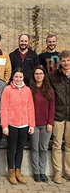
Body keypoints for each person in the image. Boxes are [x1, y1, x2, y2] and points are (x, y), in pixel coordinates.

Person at [0, 67, 35, 185]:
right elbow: (3, 108)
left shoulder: (27, 90)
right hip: (12, 124)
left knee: (20, 150)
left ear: (23, 77)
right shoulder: (7, 89)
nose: (18, 79)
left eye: (20, 77)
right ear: (13, 77)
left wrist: (32, 124)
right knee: (12, 149)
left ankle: (18, 171)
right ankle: (11, 171)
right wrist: (4, 125)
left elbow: (30, 108)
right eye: (16, 77)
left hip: (24, 124)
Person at [29, 66, 55, 182]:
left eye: (41, 74)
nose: (38, 76)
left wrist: (50, 122)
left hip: (46, 125)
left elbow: (52, 107)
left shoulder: (49, 90)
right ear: (33, 76)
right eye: (36, 74)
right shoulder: (30, 89)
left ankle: (43, 172)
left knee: (43, 149)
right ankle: (36, 172)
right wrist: (30, 123)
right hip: (33, 124)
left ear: (44, 76)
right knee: (34, 148)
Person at [50, 50, 70, 184]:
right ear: (60, 61)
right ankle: (57, 172)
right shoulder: (53, 76)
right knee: (57, 144)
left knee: (69, 145)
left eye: (68, 60)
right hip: (58, 114)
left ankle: (68, 171)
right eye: (63, 60)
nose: (66, 63)